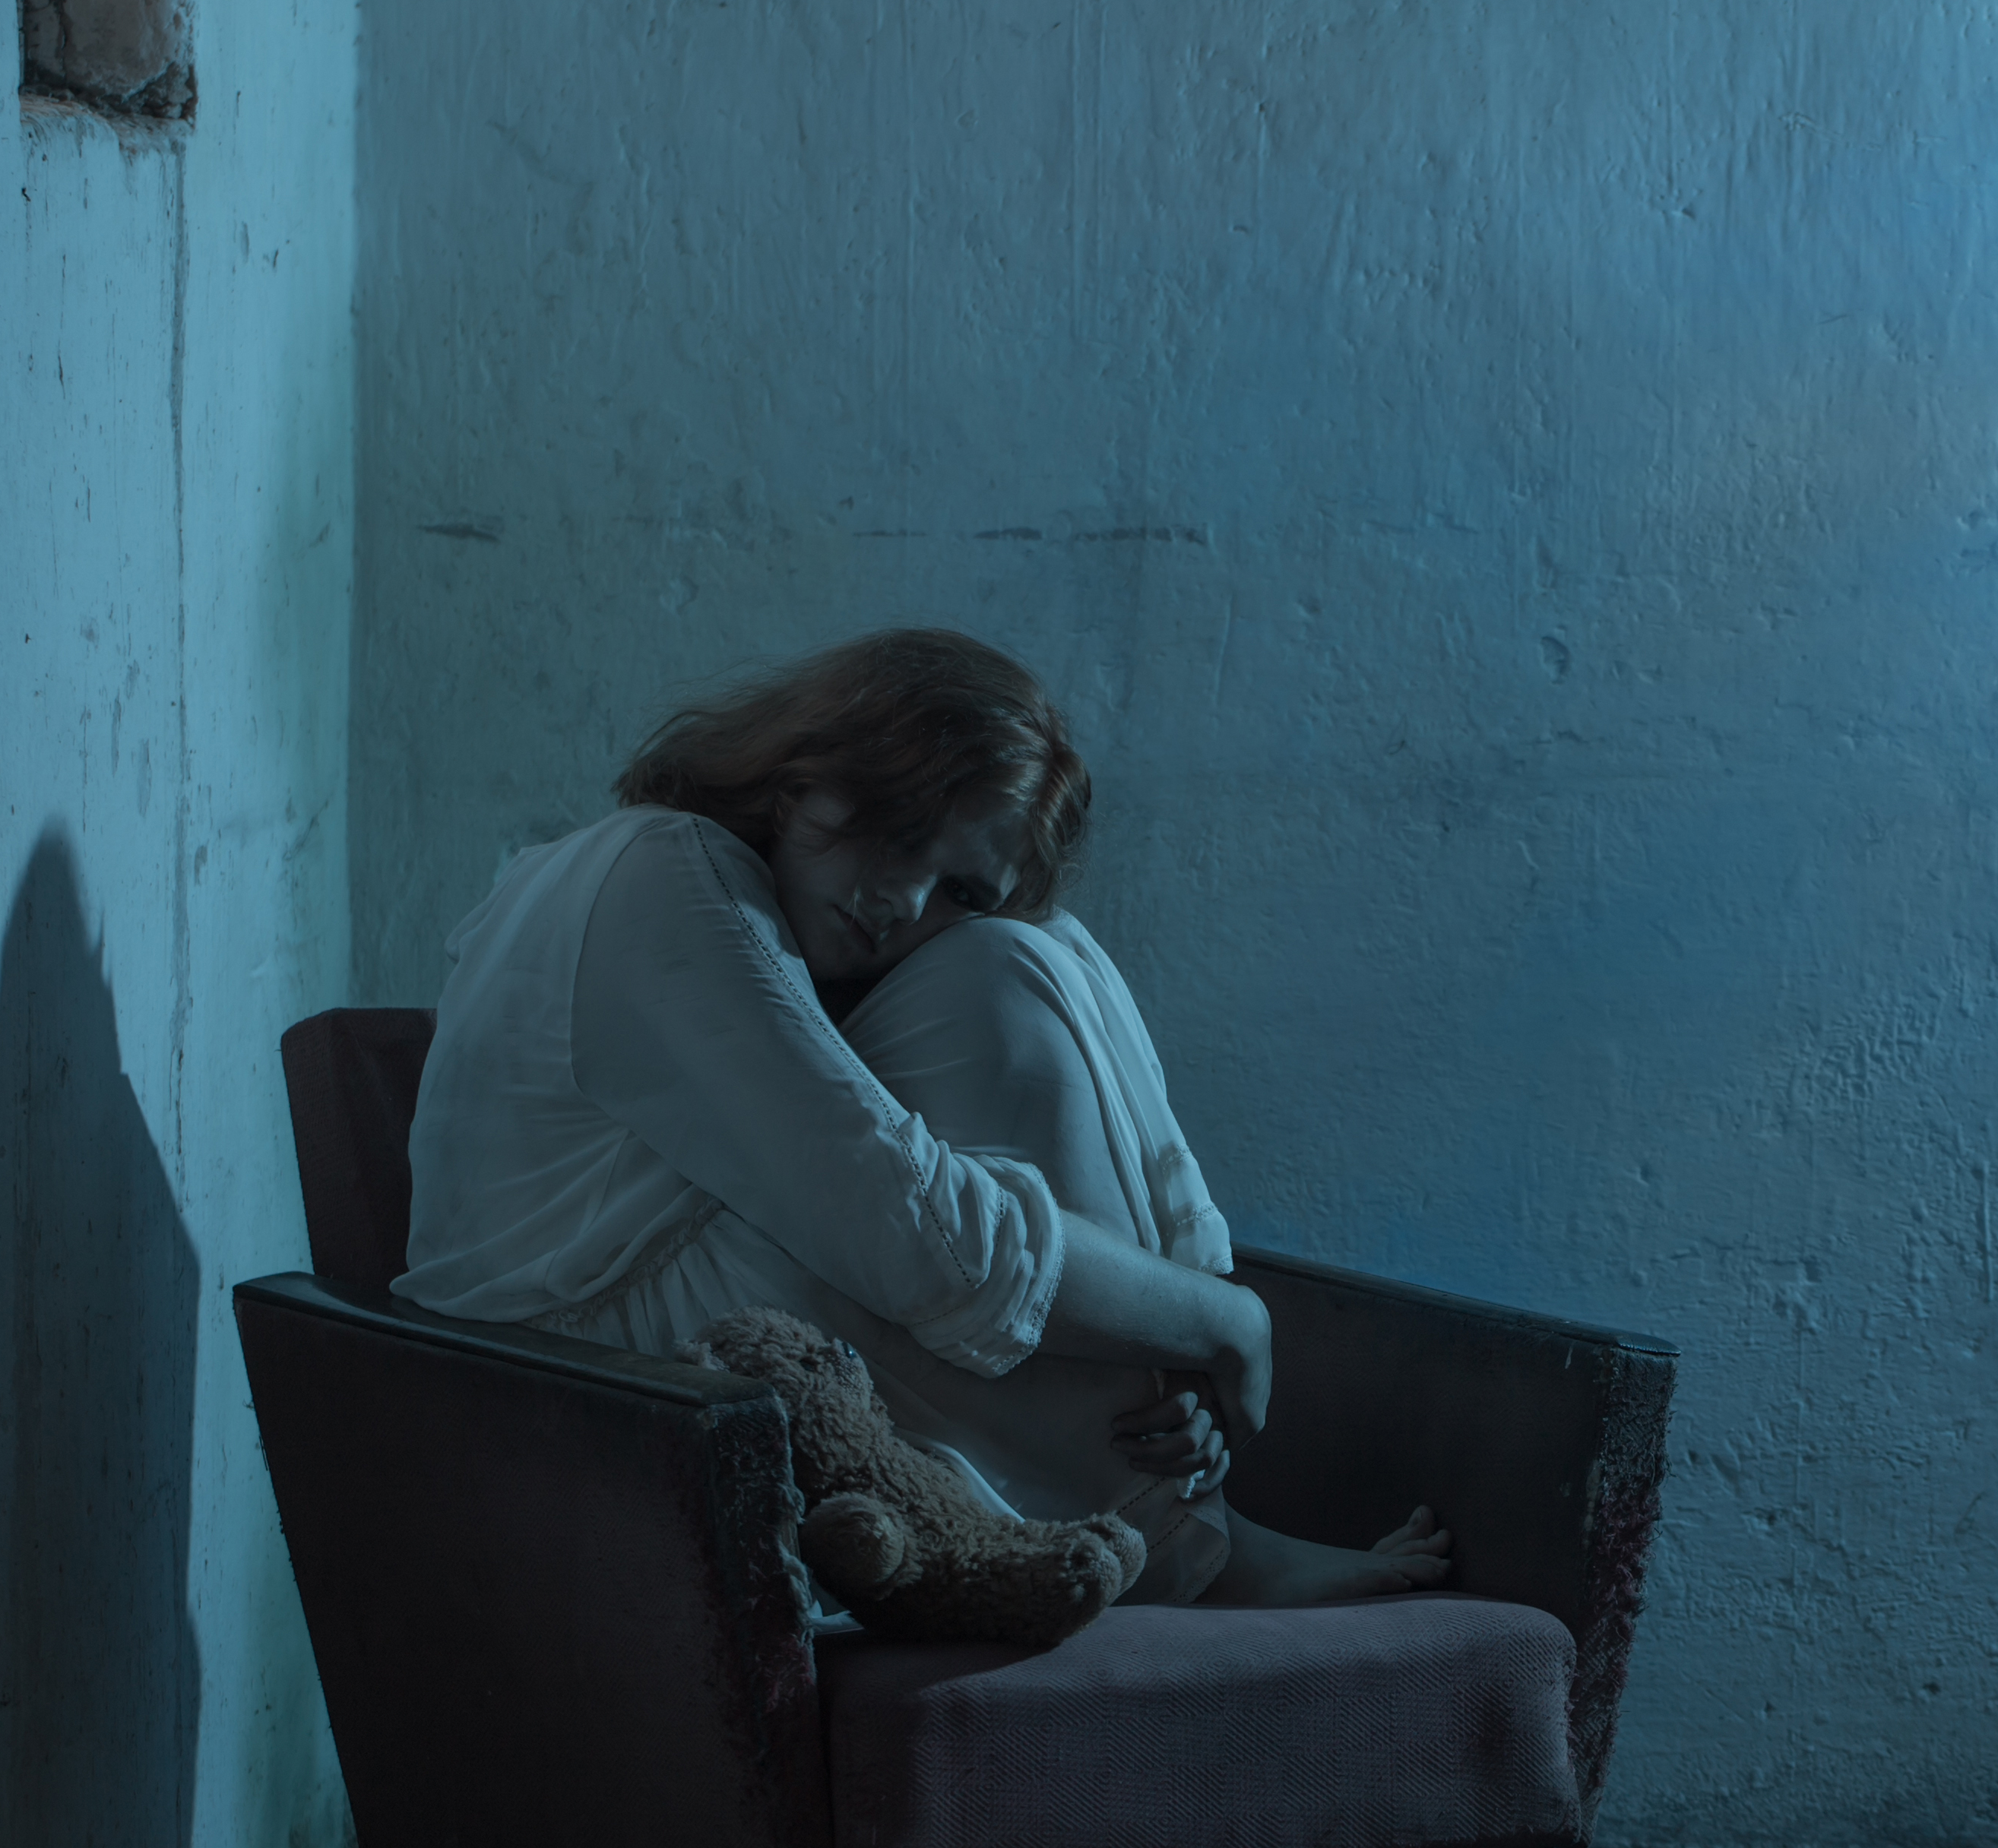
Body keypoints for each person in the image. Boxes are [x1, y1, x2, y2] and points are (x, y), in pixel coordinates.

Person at [394, 626, 1449, 1610]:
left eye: (956, 885)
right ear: (805, 766)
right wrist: (1229, 1322)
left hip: (645, 1341)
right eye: (897, 832)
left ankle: (1176, 1484)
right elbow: (915, 1236)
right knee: (1006, 982)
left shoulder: (686, 877)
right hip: (588, 1380)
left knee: (1037, 949)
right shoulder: (666, 877)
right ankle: (1188, 1533)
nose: (903, 902)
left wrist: (1176, 1318)